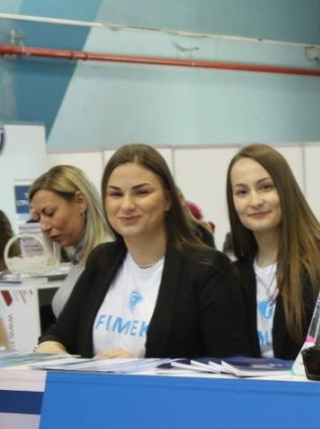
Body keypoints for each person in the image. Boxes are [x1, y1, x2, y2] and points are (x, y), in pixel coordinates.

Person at [37, 144, 249, 360]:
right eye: (116, 194)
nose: (127, 205)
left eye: (141, 192)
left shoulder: (207, 270)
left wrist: (142, 368)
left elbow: (232, 363)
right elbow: (59, 334)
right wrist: (50, 348)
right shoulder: (102, 260)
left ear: (167, 200)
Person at [227, 143, 320, 360]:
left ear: (286, 190)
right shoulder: (233, 275)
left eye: (266, 187)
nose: (255, 201)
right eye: (242, 192)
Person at [29, 165, 112, 318]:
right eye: (38, 217)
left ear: (80, 202)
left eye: (50, 213)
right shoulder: (81, 257)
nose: (43, 226)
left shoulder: (106, 256)